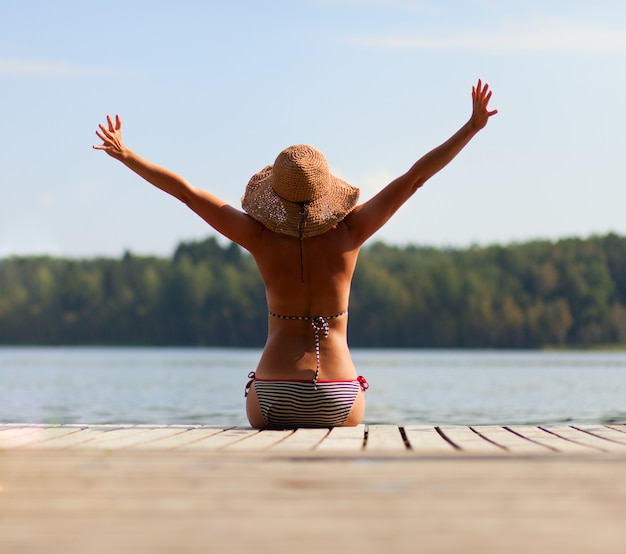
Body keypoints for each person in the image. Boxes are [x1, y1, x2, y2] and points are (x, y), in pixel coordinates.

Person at [94, 79, 497, 429]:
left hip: (273, 397)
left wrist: (127, 155)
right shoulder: (351, 231)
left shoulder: (260, 238)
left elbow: (186, 193)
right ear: (325, 192)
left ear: (275, 195)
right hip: (339, 396)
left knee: (257, 389)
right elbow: (415, 179)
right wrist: (471, 128)